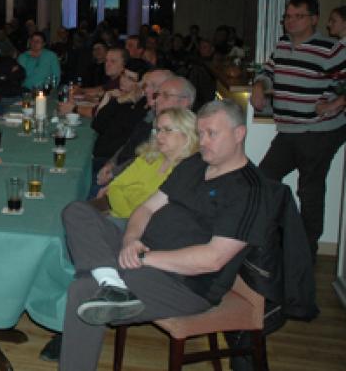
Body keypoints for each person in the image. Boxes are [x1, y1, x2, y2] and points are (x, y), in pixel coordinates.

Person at [58, 100, 268, 371]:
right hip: (143, 251)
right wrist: (131, 240)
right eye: (201, 133)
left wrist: (144, 257)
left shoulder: (250, 190)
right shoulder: (194, 165)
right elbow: (146, 207)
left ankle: (108, 285)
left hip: (186, 283)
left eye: (212, 134)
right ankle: (111, 282)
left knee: (84, 289)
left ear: (239, 134)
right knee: (77, 211)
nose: (203, 142)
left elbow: (213, 260)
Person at [251, 0, 346, 259]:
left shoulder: (331, 48)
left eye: (298, 17)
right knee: (264, 180)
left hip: (317, 132)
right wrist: (259, 85)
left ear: (314, 19)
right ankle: (274, 237)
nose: (290, 22)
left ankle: (307, 250)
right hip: (289, 130)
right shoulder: (283, 44)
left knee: (310, 190)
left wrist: (335, 103)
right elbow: (268, 71)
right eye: (288, 17)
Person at [95, 107, 199, 222]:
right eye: (158, 130)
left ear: (187, 133)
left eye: (168, 130)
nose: (159, 136)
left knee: (78, 216)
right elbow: (115, 186)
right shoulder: (149, 156)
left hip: (138, 227)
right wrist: (117, 210)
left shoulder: (189, 171)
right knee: (76, 210)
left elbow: (154, 212)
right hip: (114, 212)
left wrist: (123, 213)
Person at [95, 73, 193, 189]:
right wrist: (111, 163)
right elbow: (128, 144)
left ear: (184, 103)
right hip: (117, 173)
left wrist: (113, 174)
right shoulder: (151, 116)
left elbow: (142, 162)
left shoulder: (180, 135)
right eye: (158, 94)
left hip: (128, 183)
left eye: (165, 96)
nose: (157, 100)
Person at [90, 59, 150, 165]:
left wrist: (118, 101)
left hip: (109, 161)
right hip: (99, 155)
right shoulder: (122, 98)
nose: (123, 80)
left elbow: (121, 144)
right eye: (123, 75)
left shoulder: (142, 107)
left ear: (142, 85)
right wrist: (112, 99)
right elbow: (97, 124)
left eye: (130, 79)